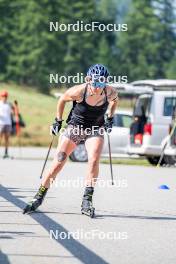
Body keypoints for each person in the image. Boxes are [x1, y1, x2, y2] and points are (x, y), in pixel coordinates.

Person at [23, 64, 118, 217]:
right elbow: (62, 100)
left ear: (105, 82)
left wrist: (110, 118)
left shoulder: (110, 92)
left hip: (95, 128)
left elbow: (115, 101)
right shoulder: (79, 91)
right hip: (76, 126)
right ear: (88, 79)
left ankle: (87, 200)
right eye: (94, 82)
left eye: (101, 82)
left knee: (93, 159)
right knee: (59, 161)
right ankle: (39, 196)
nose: (97, 86)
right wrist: (58, 121)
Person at [0, 90, 14, 158]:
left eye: (5, 96)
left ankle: (6, 152)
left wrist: (13, 112)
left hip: (8, 123)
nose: (4, 97)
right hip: (1, 123)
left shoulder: (9, 104)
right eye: (3, 96)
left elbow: (13, 112)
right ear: (1, 96)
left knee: (7, 139)